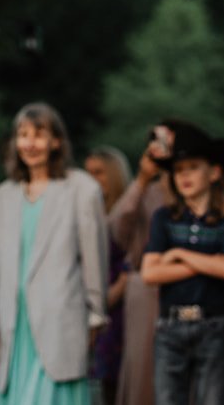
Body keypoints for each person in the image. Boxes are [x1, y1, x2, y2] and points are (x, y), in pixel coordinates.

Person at [0, 103, 109, 404]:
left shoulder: (82, 191)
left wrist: (95, 314)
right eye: (22, 135)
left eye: (39, 134)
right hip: (12, 330)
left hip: (61, 324)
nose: (30, 143)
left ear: (56, 141)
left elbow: (94, 258)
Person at [141, 125, 224, 405]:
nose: (184, 176)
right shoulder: (164, 217)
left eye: (193, 167)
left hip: (213, 324)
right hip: (170, 325)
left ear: (213, 172)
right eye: (178, 170)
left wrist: (178, 254)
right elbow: (150, 272)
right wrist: (209, 262)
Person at [110, 119, 186, 405]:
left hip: (186, 285)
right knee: (142, 371)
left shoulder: (193, 185)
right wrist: (142, 179)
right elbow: (117, 231)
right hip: (146, 288)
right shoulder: (146, 191)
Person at [86, 146, 133, 404]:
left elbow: (131, 264)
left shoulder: (126, 214)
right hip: (95, 305)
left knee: (121, 382)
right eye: (88, 172)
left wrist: (109, 297)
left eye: (99, 172)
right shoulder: (88, 213)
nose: (92, 179)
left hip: (121, 307)